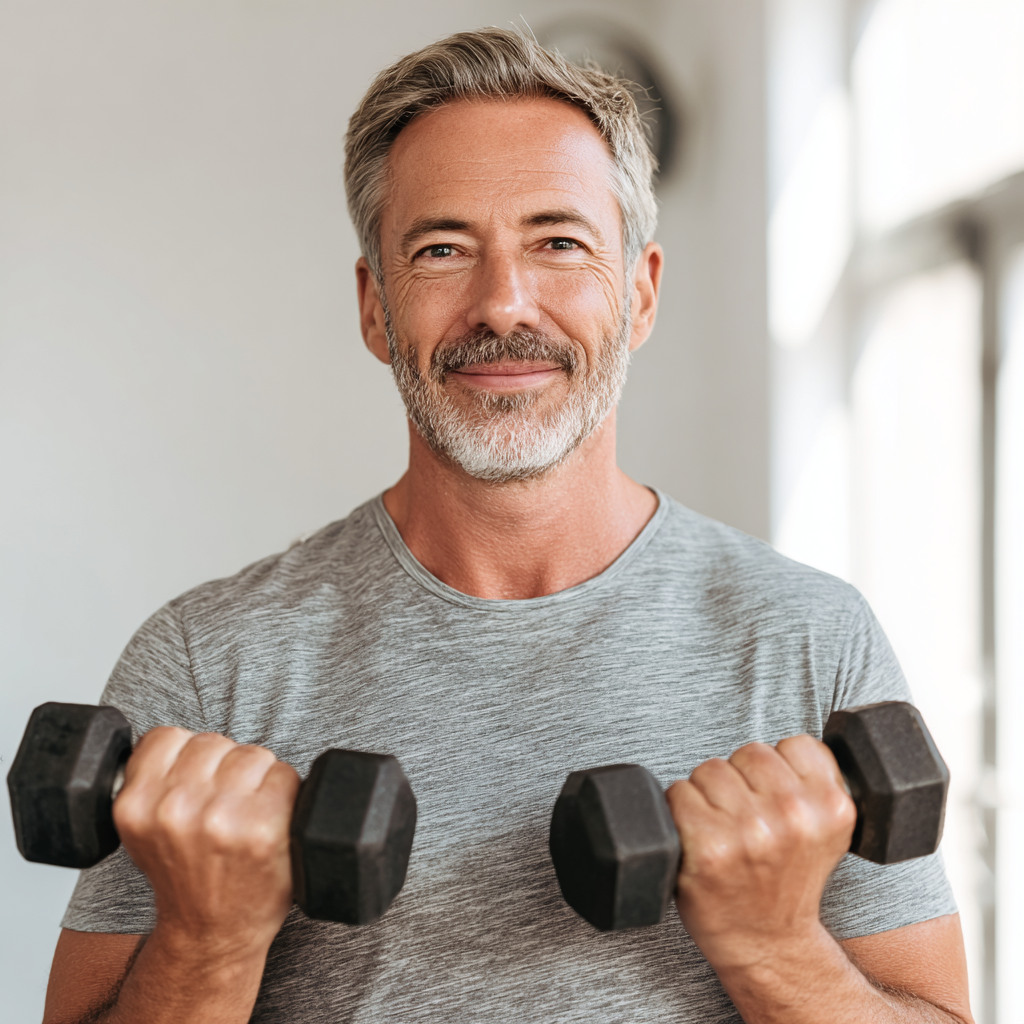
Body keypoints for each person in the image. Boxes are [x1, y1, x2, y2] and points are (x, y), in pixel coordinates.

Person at [44, 27, 972, 1024]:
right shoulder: (206, 666)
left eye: (557, 241)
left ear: (641, 290)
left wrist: (774, 942)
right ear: (374, 307)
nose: (502, 303)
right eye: (442, 249)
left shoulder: (807, 642)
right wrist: (208, 934)